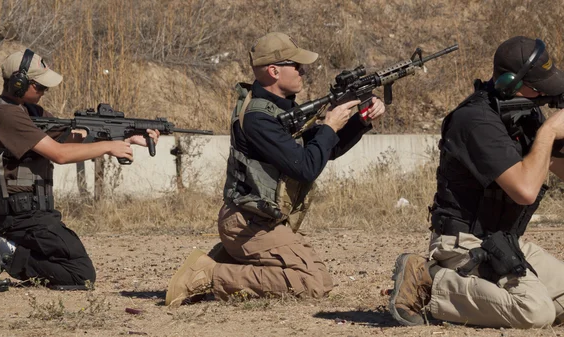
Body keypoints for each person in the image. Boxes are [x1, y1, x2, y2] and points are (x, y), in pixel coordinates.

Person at [165, 32, 385, 307]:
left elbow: (325, 150)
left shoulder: (279, 111)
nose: (303, 71)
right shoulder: (259, 119)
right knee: (313, 282)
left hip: (261, 220)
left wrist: (359, 121)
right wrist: (329, 125)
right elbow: (305, 167)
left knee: (310, 277)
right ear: (274, 71)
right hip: (248, 223)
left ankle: (225, 260)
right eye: (296, 66)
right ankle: (210, 273)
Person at [389, 36, 564, 328]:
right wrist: (548, 133)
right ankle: (429, 280)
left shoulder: (523, 114)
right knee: (536, 312)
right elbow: (525, 190)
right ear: (510, 84)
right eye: (538, 89)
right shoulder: (475, 120)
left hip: (505, 241)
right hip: (463, 243)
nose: (544, 97)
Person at [0, 49, 160, 288]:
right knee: (81, 274)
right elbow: (60, 155)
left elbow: (66, 141)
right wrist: (108, 146)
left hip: (38, 213)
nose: (44, 91)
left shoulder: (29, 111)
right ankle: (6, 252)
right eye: (39, 86)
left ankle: (9, 250)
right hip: (21, 216)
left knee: (76, 267)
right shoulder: (5, 115)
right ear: (18, 83)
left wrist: (127, 136)